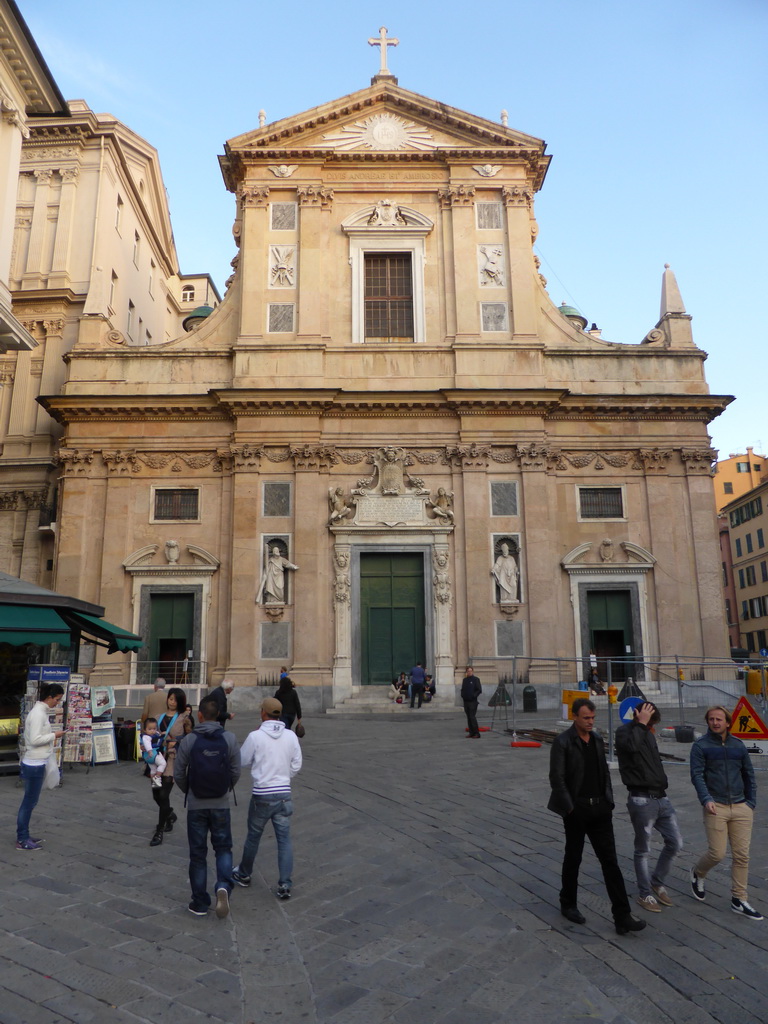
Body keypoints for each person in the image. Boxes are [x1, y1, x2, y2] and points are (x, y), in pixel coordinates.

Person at [548, 698, 646, 935]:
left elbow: (603, 773)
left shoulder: (597, 739)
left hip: (600, 808)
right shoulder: (563, 742)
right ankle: (568, 903)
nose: (591, 722)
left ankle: (622, 916)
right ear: (575, 717)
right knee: (574, 856)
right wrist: (570, 808)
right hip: (577, 809)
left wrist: (608, 801)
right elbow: (556, 778)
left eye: (593, 718)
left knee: (610, 862)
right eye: (586, 718)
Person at [689, 705, 762, 920]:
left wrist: (751, 802)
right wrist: (706, 799)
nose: (715, 722)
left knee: (742, 856)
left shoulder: (738, 746)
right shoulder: (700, 746)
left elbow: (749, 775)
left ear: (728, 722)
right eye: (711, 719)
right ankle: (698, 872)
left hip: (741, 806)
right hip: (716, 806)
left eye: (719, 719)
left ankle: (739, 899)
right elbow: (697, 776)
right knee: (717, 853)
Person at [174, 695, 241, 917]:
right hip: (220, 802)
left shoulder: (189, 740)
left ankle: (200, 903)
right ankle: (223, 885)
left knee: (198, 854)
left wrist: (190, 790)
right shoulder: (230, 738)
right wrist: (225, 789)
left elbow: (178, 773)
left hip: (196, 804)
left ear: (200, 715)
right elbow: (235, 771)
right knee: (223, 848)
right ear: (218, 715)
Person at [615, 702, 683, 913]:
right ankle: (645, 894)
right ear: (638, 714)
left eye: (653, 722)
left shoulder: (648, 732)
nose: (651, 725)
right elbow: (631, 748)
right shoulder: (624, 732)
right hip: (641, 799)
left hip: (661, 797)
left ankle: (657, 881)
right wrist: (641, 724)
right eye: (649, 720)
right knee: (643, 850)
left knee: (676, 843)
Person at [232, 698, 302, 899]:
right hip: (283, 794)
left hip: (262, 793)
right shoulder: (290, 736)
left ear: (263, 713)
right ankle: (285, 884)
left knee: (253, 836)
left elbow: (243, 760)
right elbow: (297, 763)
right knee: (284, 839)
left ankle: (244, 874)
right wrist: (284, 776)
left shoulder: (256, 736)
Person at [16, 683, 66, 850]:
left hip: (37, 761)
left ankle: (25, 835)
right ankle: (22, 838)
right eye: (57, 699)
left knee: (31, 801)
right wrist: (54, 735)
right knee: (29, 802)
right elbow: (35, 739)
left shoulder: (40, 712)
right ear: (50, 697)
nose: (57, 703)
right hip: (34, 763)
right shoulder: (38, 714)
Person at [149, 687, 194, 847]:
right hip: (157, 760)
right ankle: (170, 814)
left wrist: (178, 741)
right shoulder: (158, 717)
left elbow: (191, 738)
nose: (171, 701)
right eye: (170, 698)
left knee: (163, 795)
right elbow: (150, 734)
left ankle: (159, 831)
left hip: (172, 761)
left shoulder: (184, 718)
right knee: (156, 794)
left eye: (175, 699)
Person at [140, 717, 167, 788]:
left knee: (153, 769)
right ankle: (157, 777)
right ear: (144, 729)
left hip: (147, 757)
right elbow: (147, 744)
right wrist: (149, 751)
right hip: (153, 754)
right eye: (150, 729)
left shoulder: (155, 734)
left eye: (154, 729)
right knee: (163, 764)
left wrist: (163, 733)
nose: (152, 731)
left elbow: (159, 735)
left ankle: (153, 783)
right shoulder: (146, 737)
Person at [460, 666, 482, 738]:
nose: (469, 672)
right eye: (468, 671)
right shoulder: (465, 680)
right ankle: (471, 732)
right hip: (466, 701)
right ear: (466, 672)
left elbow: (479, 690)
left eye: (470, 671)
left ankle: (477, 733)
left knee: (472, 717)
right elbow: (463, 689)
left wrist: (473, 695)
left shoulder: (476, 680)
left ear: (472, 671)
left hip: (473, 702)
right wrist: (463, 695)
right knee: (468, 717)